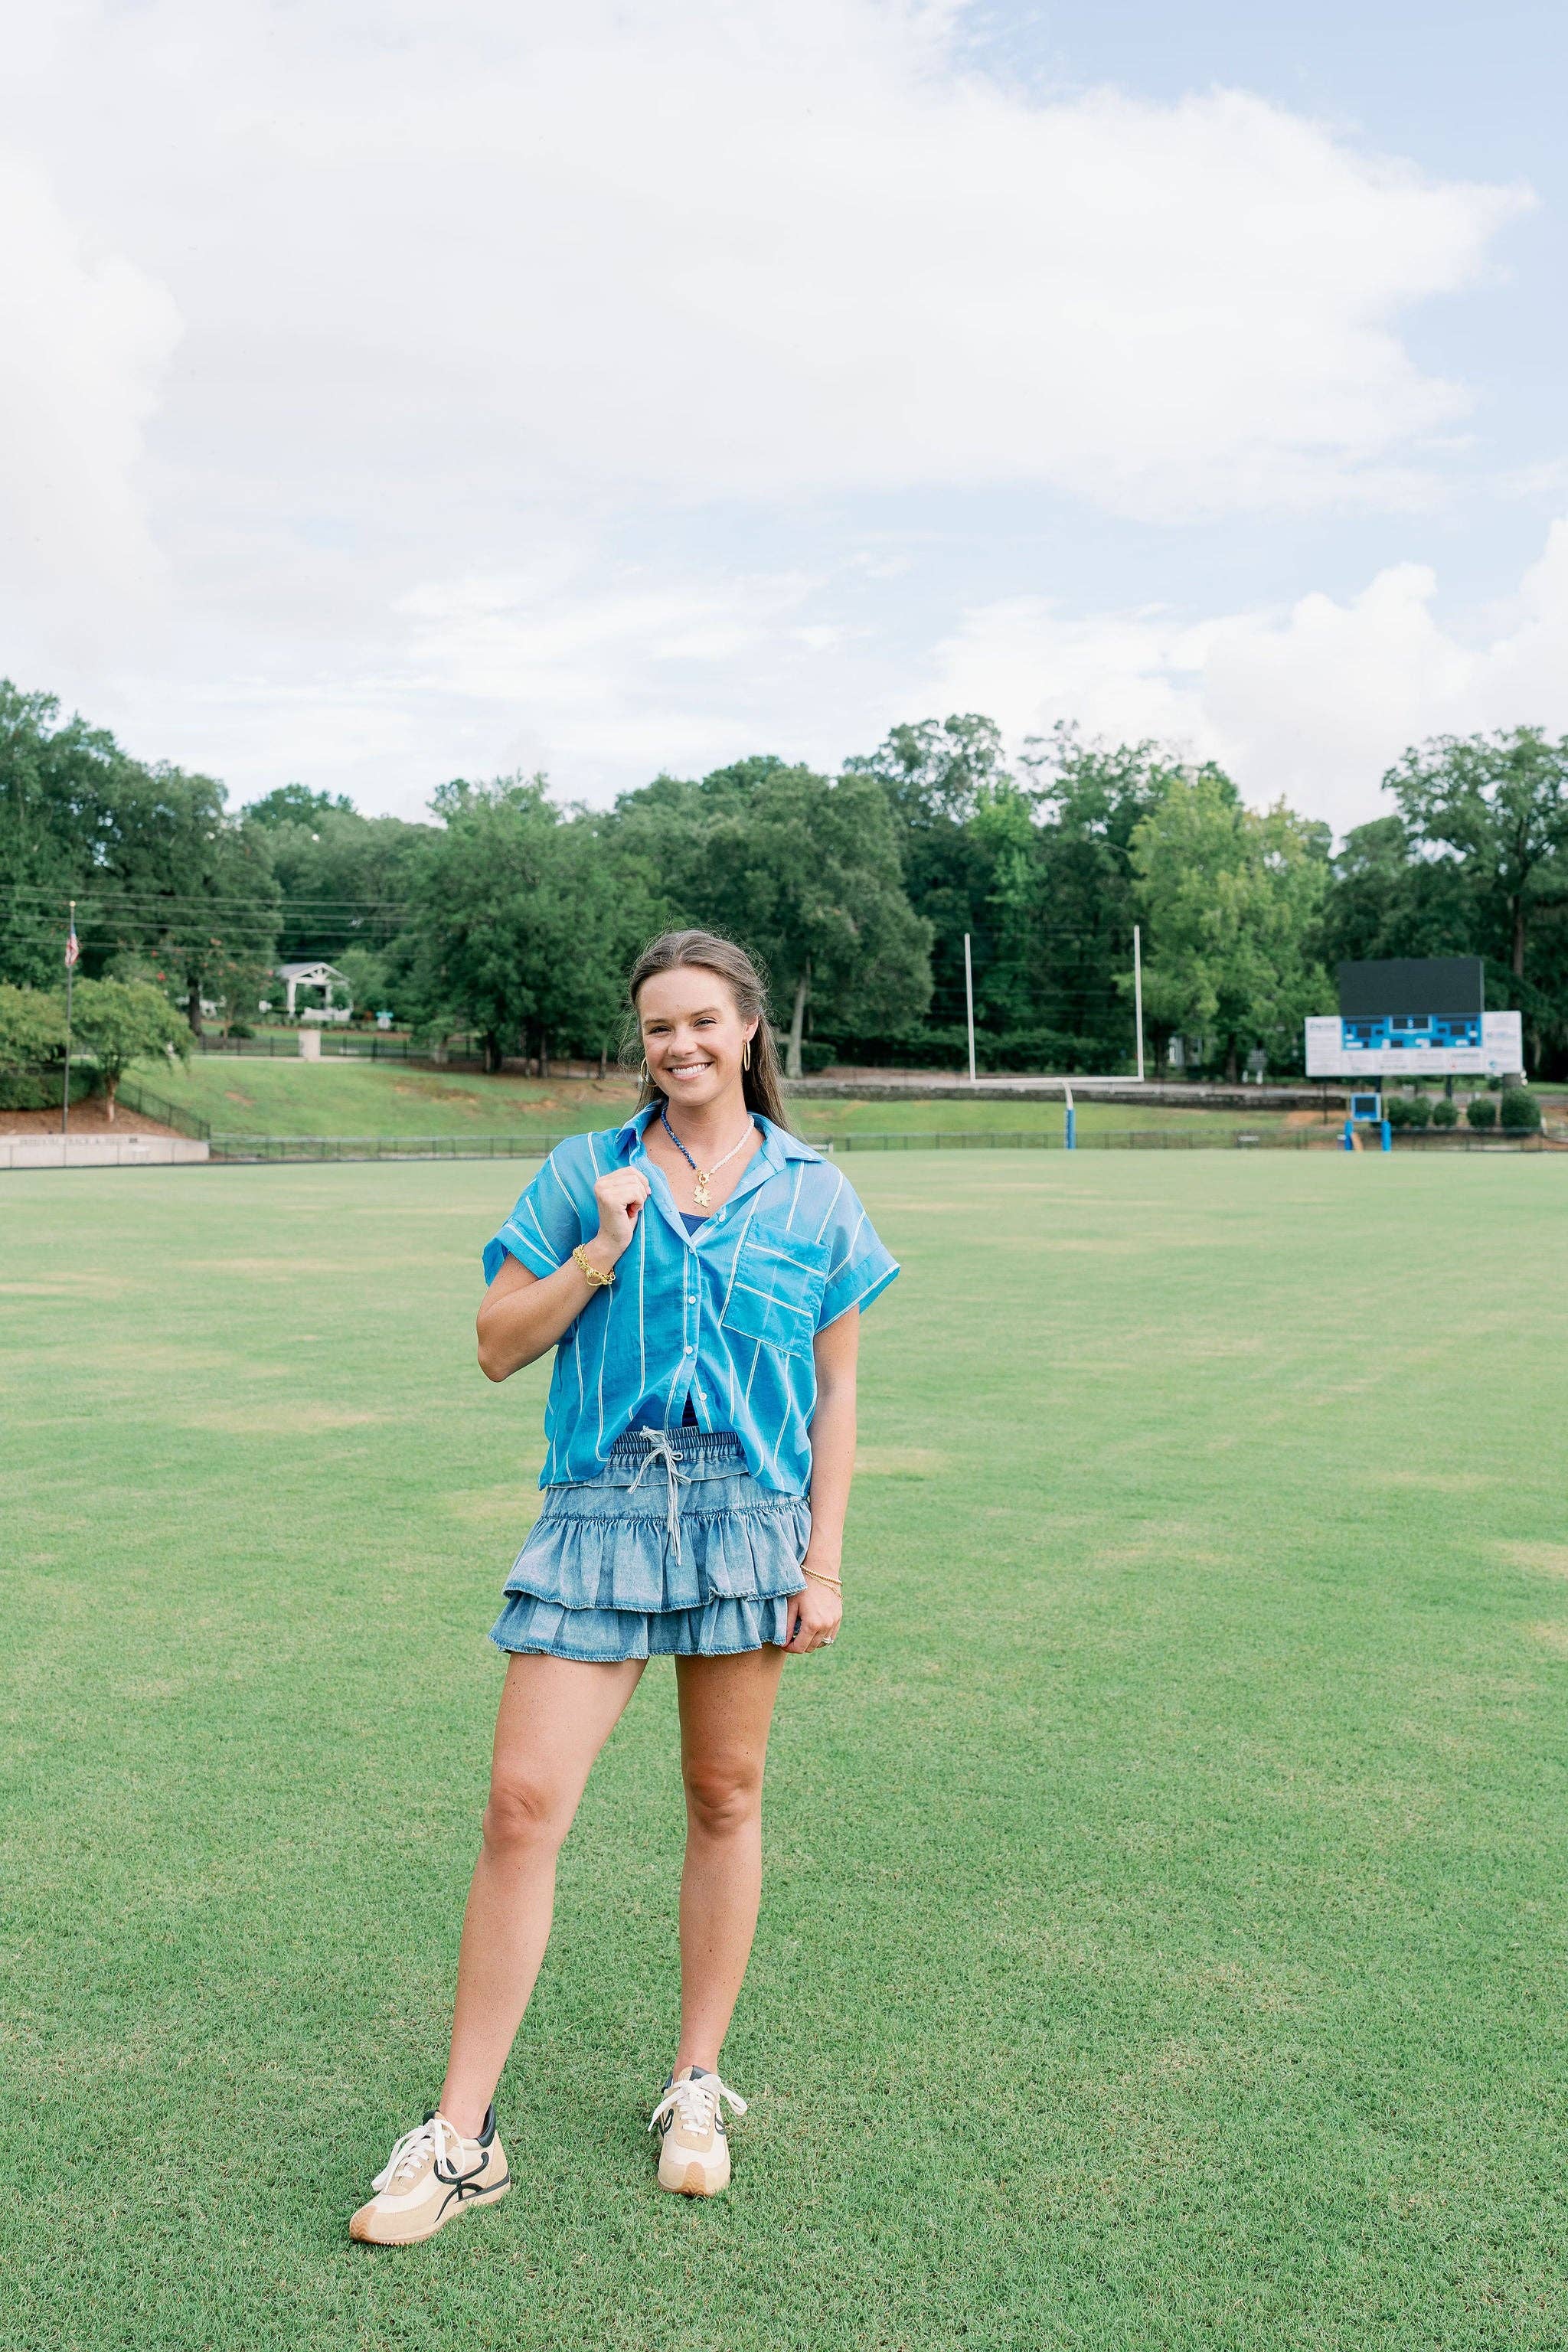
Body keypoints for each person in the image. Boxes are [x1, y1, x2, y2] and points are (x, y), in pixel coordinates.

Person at [350, 929, 899, 2244]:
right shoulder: (580, 1173)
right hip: (597, 1516)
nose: (681, 1045)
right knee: (521, 1805)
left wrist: (823, 1562)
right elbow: (495, 1347)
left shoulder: (818, 1194)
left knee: (725, 1796)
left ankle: (696, 2085)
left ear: (750, 1029)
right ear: (640, 1040)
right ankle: (463, 2137)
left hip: (750, 1524)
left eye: (704, 1020)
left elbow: (835, 1394)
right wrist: (598, 1250)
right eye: (659, 1026)